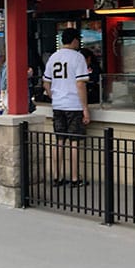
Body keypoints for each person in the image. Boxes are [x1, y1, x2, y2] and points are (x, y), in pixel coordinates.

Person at [43, 28, 91, 187]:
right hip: (74, 105)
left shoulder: (53, 57)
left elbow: (46, 82)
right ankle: (75, 178)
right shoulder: (78, 58)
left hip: (58, 105)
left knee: (59, 141)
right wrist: (85, 108)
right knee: (74, 142)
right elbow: (80, 84)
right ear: (75, 40)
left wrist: (53, 96)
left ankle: (57, 176)